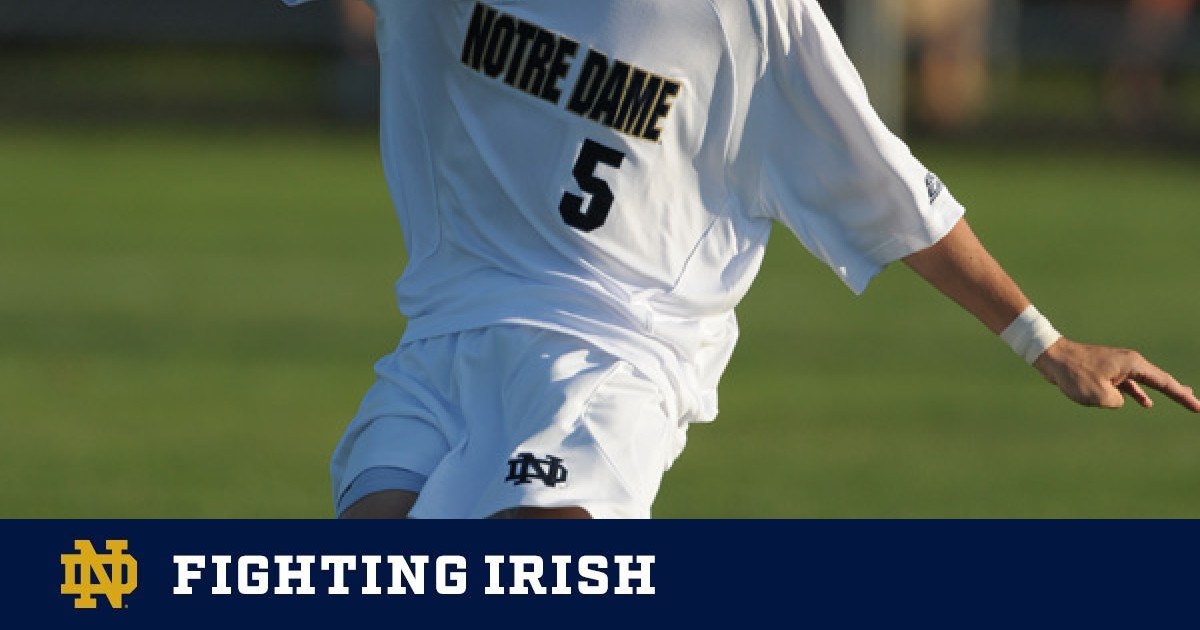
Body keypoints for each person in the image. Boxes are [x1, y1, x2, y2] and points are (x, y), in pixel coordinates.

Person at [281, 0, 1199, 519]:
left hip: (615, 356)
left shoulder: (744, 13)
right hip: (442, 342)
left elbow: (885, 182)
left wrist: (1045, 341)